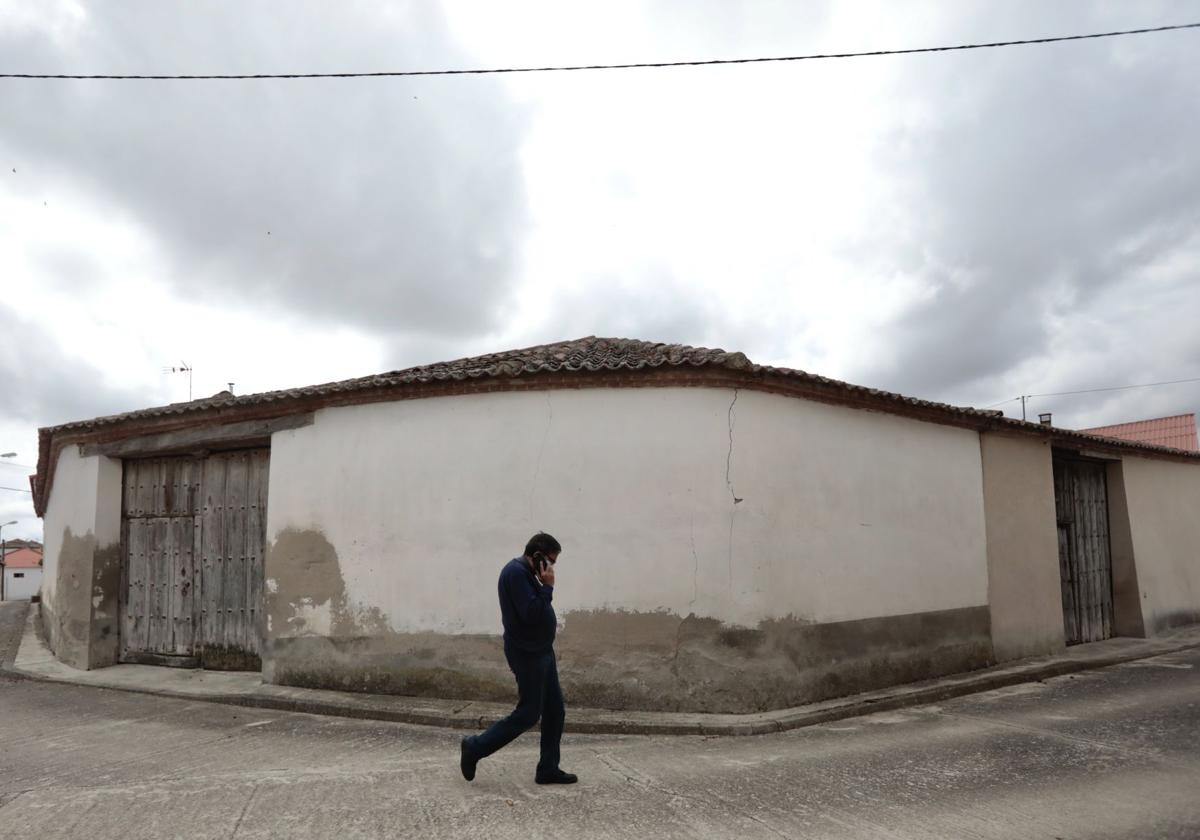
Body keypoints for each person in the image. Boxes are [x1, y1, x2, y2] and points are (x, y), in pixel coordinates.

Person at [460, 532, 577, 785]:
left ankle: (547, 768)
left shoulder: (527, 574)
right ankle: (474, 747)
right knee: (528, 713)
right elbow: (532, 613)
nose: (552, 568)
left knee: (555, 711)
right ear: (537, 557)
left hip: (542, 652)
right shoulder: (515, 573)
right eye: (550, 562)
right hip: (528, 656)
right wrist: (548, 587)